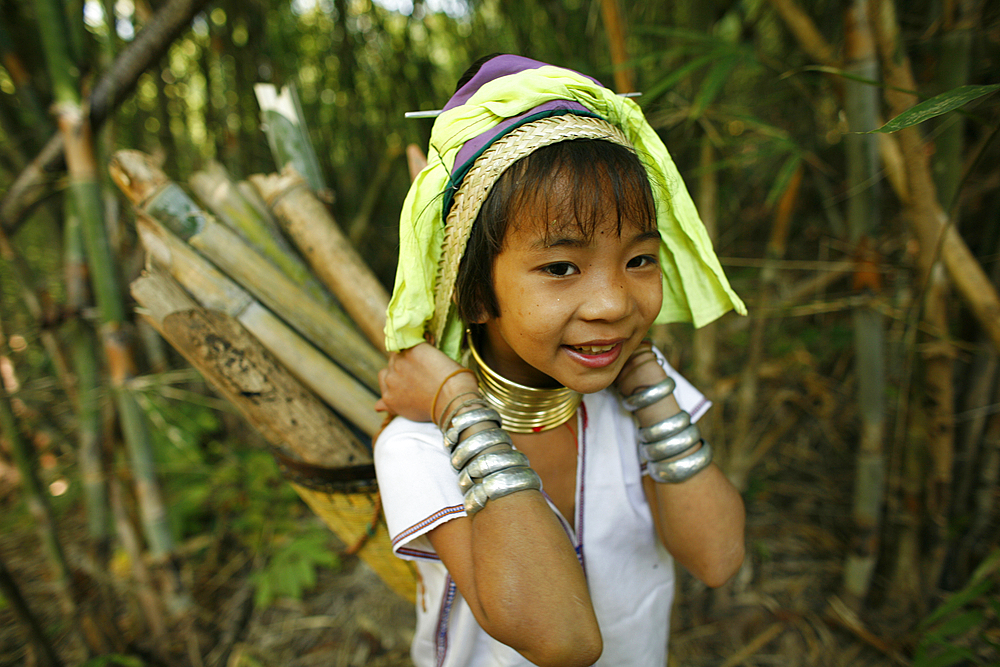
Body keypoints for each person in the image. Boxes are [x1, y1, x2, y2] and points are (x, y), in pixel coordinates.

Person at [374, 54, 747, 667]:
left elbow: (717, 557)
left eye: (639, 260)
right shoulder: (419, 441)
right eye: (560, 267)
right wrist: (457, 404)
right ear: (474, 293)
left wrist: (647, 373)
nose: (613, 304)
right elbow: (564, 639)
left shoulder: (634, 390)